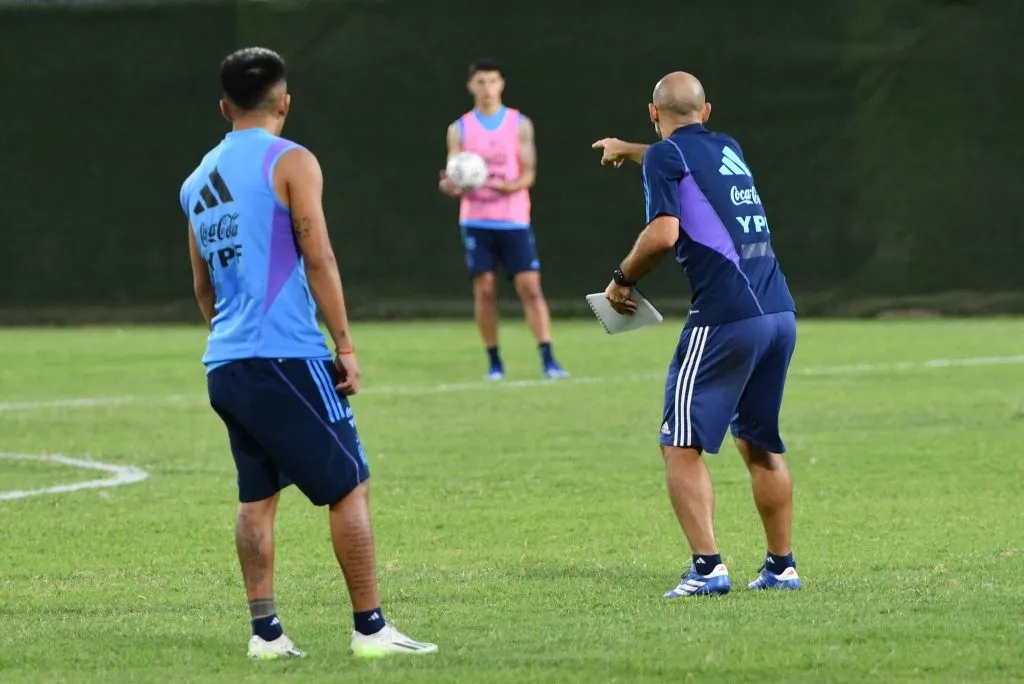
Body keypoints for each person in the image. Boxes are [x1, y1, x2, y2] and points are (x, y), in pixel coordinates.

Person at [180, 47, 438, 658]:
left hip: (227, 361)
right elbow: (317, 255)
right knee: (350, 485)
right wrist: (343, 344)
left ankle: (265, 634)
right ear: (285, 102)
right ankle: (371, 630)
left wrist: (233, 341)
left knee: (256, 498)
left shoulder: (196, 180)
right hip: (287, 355)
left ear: (224, 106)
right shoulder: (291, 161)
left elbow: (202, 287)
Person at [592, 72, 802, 598]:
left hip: (726, 316)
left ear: (652, 112)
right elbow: (679, 155)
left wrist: (622, 280)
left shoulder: (666, 156)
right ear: (706, 112)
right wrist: (630, 149)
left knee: (679, 444)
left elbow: (663, 234)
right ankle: (782, 567)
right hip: (778, 311)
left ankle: (707, 568)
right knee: (759, 444)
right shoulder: (727, 147)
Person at [439, 58, 569, 381]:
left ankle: (548, 358)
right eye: (480, 82)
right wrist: (451, 185)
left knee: (530, 287)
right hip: (476, 220)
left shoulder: (518, 123)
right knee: (484, 289)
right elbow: (454, 173)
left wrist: (498, 184)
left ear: (502, 84)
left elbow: (528, 176)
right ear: (471, 86)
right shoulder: (460, 129)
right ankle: (495, 363)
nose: (487, 88)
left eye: (492, 81)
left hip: (513, 220)